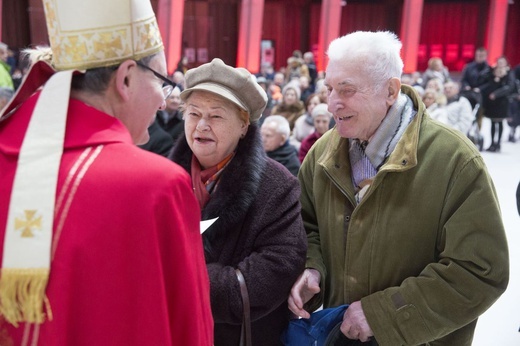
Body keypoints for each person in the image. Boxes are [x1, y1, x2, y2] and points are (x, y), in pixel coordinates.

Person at [0, 0, 213, 345]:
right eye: (162, 81)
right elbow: (191, 329)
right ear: (125, 78)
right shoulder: (156, 186)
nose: (163, 101)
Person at [288, 31, 509, 345]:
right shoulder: (322, 154)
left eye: (347, 90)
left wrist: (383, 315)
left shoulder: (454, 160)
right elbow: (306, 225)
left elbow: (480, 271)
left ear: (390, 90)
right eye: (329, 88)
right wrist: (313, 269)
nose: (332, 102)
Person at [169, 58, 307, 346]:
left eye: (216, 116)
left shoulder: (278, 186)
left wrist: (177, 279)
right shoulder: (164, 178)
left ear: (244, 124)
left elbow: (275, 271)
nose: (202, 125)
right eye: (194, 113)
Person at [481, 56, 515, 152]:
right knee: (492, 122)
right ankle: (492, 143)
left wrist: (496, 94)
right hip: (492, 102)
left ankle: (498, 144)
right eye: (499, 62)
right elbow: (486, 81)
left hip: (502, 102)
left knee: (500, 123)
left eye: (502, 62)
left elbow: (509, 87)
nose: (500, 64)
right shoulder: (492, 72)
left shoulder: (509, 73)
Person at [460, 47, 491, 129]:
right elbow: (464, 79)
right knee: (466, 113)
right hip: (468, 94)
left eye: (482, 55)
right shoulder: (469, 67)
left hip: (481, 96)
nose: (479, 57)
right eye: (478, 55)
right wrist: (466, 86)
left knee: (479, 115)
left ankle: (476, 132)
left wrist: (480, 89)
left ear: (486, 56)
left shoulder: (489, 69)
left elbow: (489, 83)